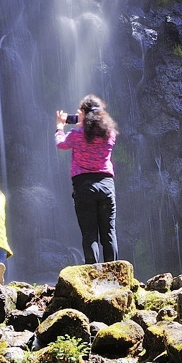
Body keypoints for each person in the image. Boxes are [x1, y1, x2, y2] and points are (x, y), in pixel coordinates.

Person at [55, 94, 119, 263]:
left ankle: (93, 276)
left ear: (84, 113)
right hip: (106, 185)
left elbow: (61, 144)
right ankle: (115, 275)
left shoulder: (77, 134)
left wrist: (60, 126)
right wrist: (84, 120)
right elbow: (96, 131)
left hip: (84, 187)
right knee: (108, 232)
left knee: (90, 234)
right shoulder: (110, 134)